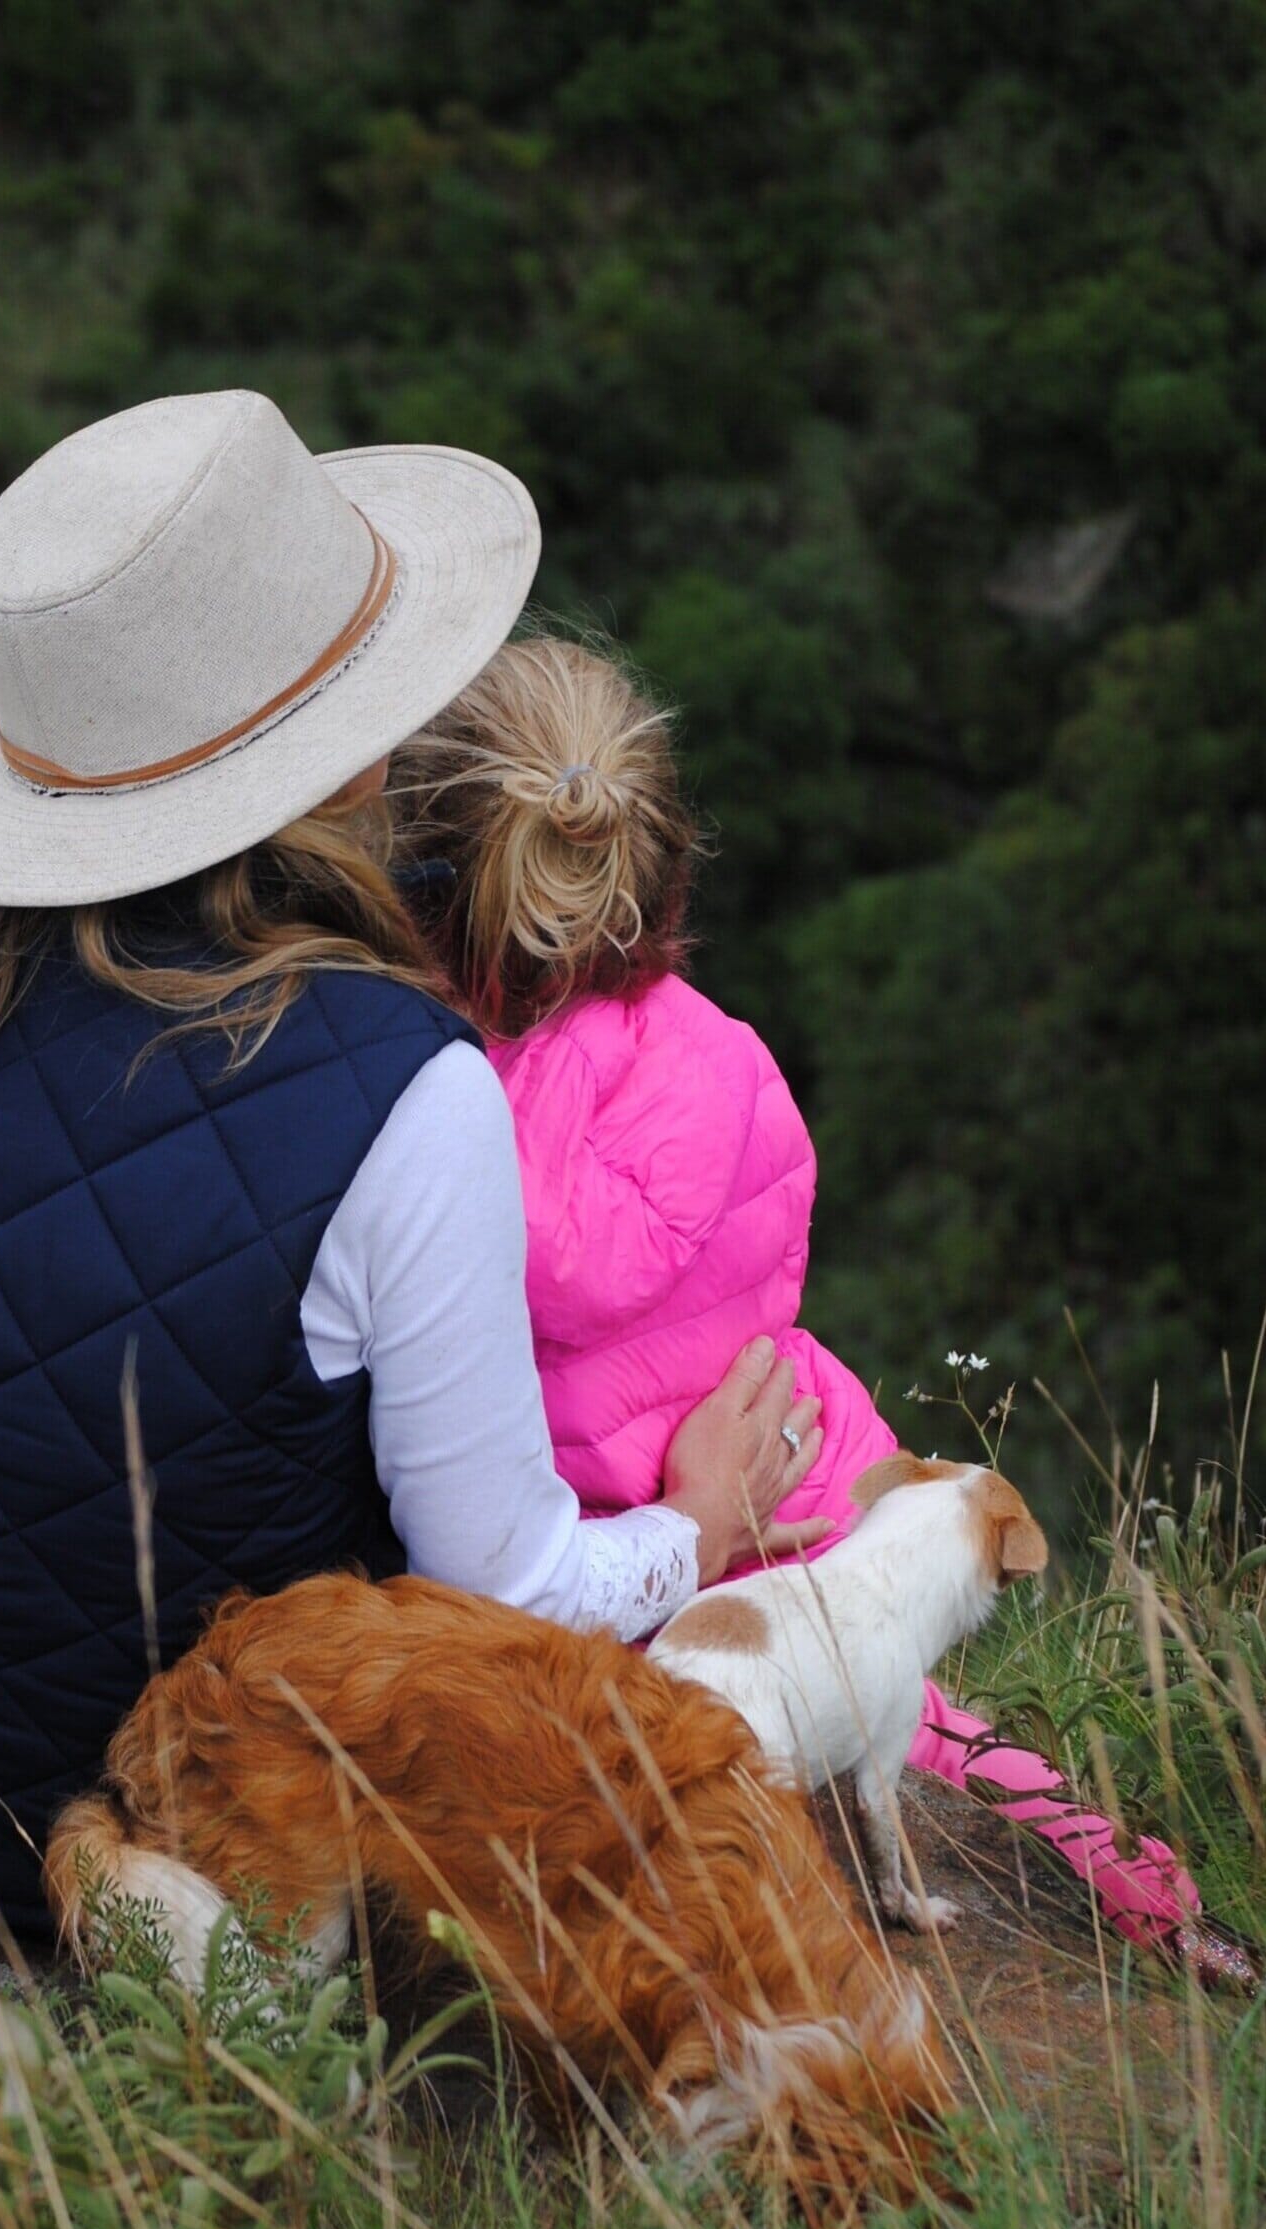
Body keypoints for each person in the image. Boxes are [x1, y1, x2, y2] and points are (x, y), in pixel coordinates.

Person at [0, 392, 826, 1939]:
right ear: (356, 752)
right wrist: (700, 1519)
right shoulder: (399, 1091)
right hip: (121, 1800)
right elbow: (499, 1579)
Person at [394, 635, 1210, 1959]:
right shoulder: (725, 1057)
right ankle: (1122, 1870)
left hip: (618, 1575)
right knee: (905, 1704)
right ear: (656, 865)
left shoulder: (426, 1113)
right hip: (795, 1474)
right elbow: (756, 1285)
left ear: (430, 881)